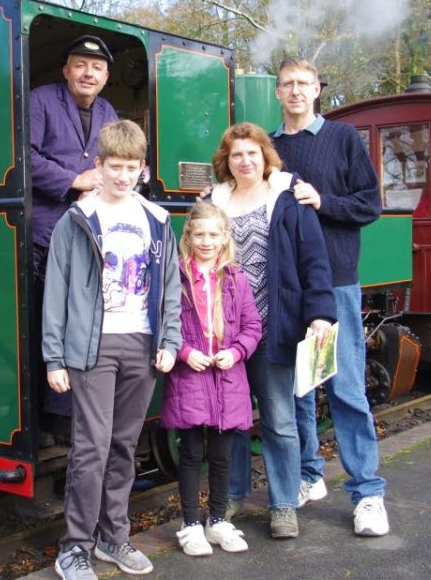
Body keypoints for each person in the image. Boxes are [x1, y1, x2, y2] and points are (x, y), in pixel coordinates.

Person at [42, 120, 182, 580]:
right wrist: (55, 356)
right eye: (114, 167)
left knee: (124, 444)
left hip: (142, 344)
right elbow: (56, 291)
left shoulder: (158, 221)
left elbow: (170, 289)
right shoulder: (77, 221)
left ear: (142, 169)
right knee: (91, 448)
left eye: (130, 168)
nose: (122, 176)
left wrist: (168, 340)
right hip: (92, 348)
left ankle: (113, 538)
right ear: (97, 166)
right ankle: (74, 547)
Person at [270, 58, 390, 537]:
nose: (296, 91)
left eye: (304, 84)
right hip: (286, 286)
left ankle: (368, 493)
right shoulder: (271, 148)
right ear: (277, 92)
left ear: (317, 89)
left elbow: (369, 204)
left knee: (345, 389)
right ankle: (308, 474)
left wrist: (325, 202)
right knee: (298, 390)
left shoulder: (342, 139)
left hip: (336, 281)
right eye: (288, 85)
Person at [209, 122, 336, 540]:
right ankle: (232, 494)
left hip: (275, 327)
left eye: (252, 153)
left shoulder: (289, 198)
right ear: (226, 162)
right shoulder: (216, 202)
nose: (244, 161)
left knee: (280, 420)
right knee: (232, 420)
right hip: (227, 331)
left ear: (266, 156)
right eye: (236, 155)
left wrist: (319, 312)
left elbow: (314, 259)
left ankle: (283, 504)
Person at [30, 35, 119, 436]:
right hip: (48, 232)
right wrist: (73, 180)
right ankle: (53, 416)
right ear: (66, 70)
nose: (88, 73)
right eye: (80, 65)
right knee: (55, 322)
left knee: (85, 322)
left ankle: (72, 414)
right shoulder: (40, 101)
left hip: (95, 233)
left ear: (105, 76)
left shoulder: (108, 111)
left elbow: (121, 155)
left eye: (96, 67)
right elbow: (22, 155)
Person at [162, 202, 261, 557]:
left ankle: (217, 519)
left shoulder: (236, 277)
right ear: (188, 235)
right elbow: (163, 323)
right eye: (199, 234)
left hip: (228, 379)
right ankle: (190, 524)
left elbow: (252, 326)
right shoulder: (175, 276)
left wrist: (235, 353)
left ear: (224, 238)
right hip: (190, 377)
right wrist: (186, 353)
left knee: (222, 455)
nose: (206, 241)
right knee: (189, 453)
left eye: (213, 235)